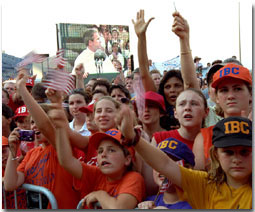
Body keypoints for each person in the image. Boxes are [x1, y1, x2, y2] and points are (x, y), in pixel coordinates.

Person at [118, 105, 252, 209]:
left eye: (244, 152)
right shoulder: (205, 184)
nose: (237, 159)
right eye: (228, 152)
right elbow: (165, 164)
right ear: (216, 154)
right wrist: (133, 138)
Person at [47, 105, 146, 210]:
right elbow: (66, 161)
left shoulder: (134, 178)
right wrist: (60, 128)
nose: (103, 154)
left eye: (111, 150)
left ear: (127, 159)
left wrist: (100, 194)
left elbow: (118, 208)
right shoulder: (97, 174)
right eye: (100, 151)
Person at [193, 63, 252, 170]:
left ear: (251, 94)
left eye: (237, 89)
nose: (230, 96)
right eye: (224, 90)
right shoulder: (204, 138)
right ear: (217, 98)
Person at [138, 138, 193, 209]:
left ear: (187, 168)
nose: (162, 170)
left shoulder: (197, 204)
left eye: (167, 164)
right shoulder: (149, 201)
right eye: (157, 163)